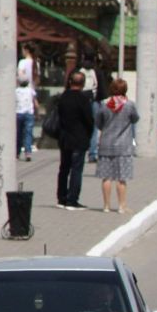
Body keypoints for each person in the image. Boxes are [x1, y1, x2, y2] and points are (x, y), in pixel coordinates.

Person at [93, 78, 138, 214]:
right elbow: (135, 119)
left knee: (106, 177)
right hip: (123, 146)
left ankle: (106, 206)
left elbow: (98, 122)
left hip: (106, 144)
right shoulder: (129, 105)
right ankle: (121, 206)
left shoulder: (104, 104)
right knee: (121, 178)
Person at [54, 70, 94, 210]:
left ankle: (61, 198)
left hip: (64, 138)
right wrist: (88, 135)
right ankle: (72, 200)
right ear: (82, 84)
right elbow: (89, 120)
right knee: (76, 170)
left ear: (70, 82)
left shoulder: (63, 97)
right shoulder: (83, 100)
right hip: (79, 139)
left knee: (64, 168)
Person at [15, 77, 38, 161]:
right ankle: (28, 153)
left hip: (18, 113)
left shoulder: (16, 91)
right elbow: (35, 103)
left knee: (18, 134)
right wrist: (37, 113)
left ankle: (16, 153)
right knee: (28, 133)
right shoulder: (30, 91)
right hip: (29, 113)